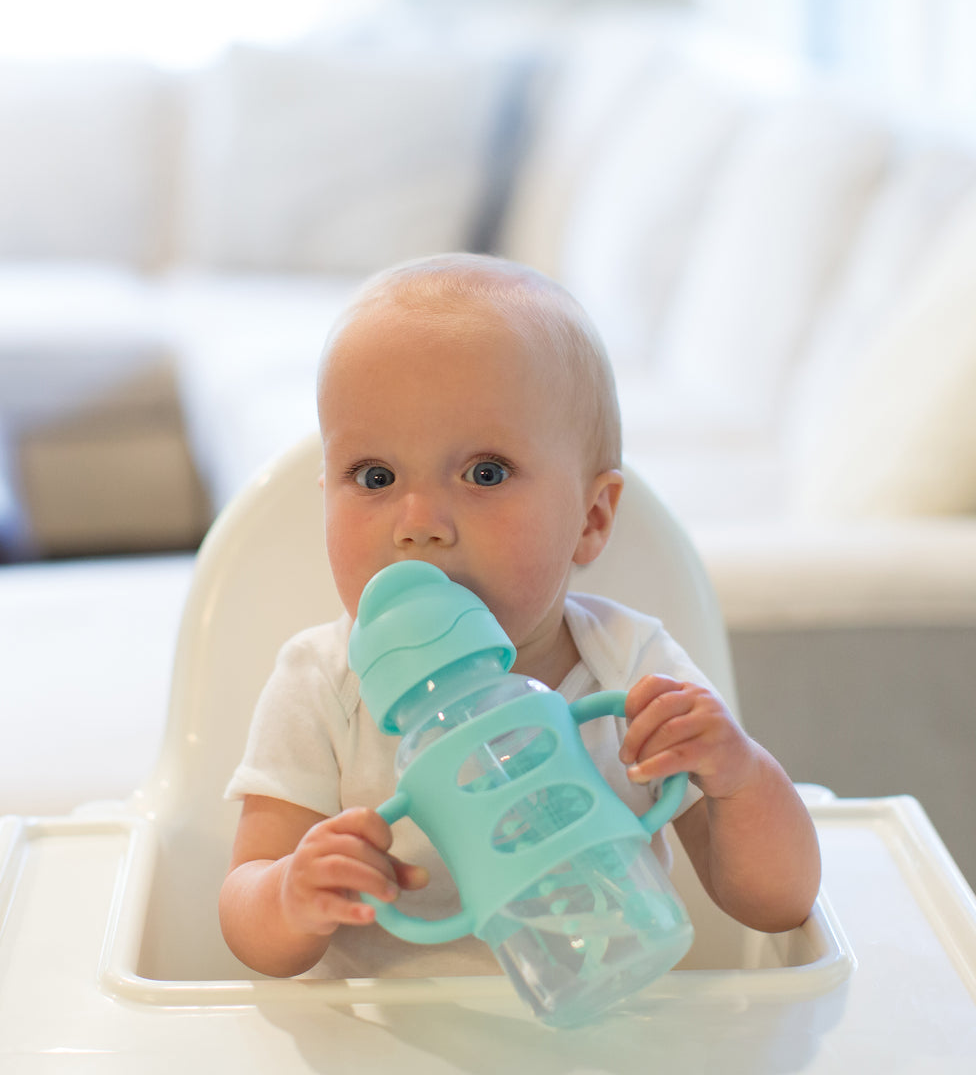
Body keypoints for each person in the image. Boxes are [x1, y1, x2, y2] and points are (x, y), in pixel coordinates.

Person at [219, 253, 821, 980]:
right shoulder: (322, 683)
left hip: (623, 1035)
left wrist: (739, 775)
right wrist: (289, 895)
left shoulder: (631, 668)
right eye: (374, 477)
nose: (419, 523)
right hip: (384, 1046)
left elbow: (778, 904)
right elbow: (247, 918)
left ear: (591, 519)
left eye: (485, 473)